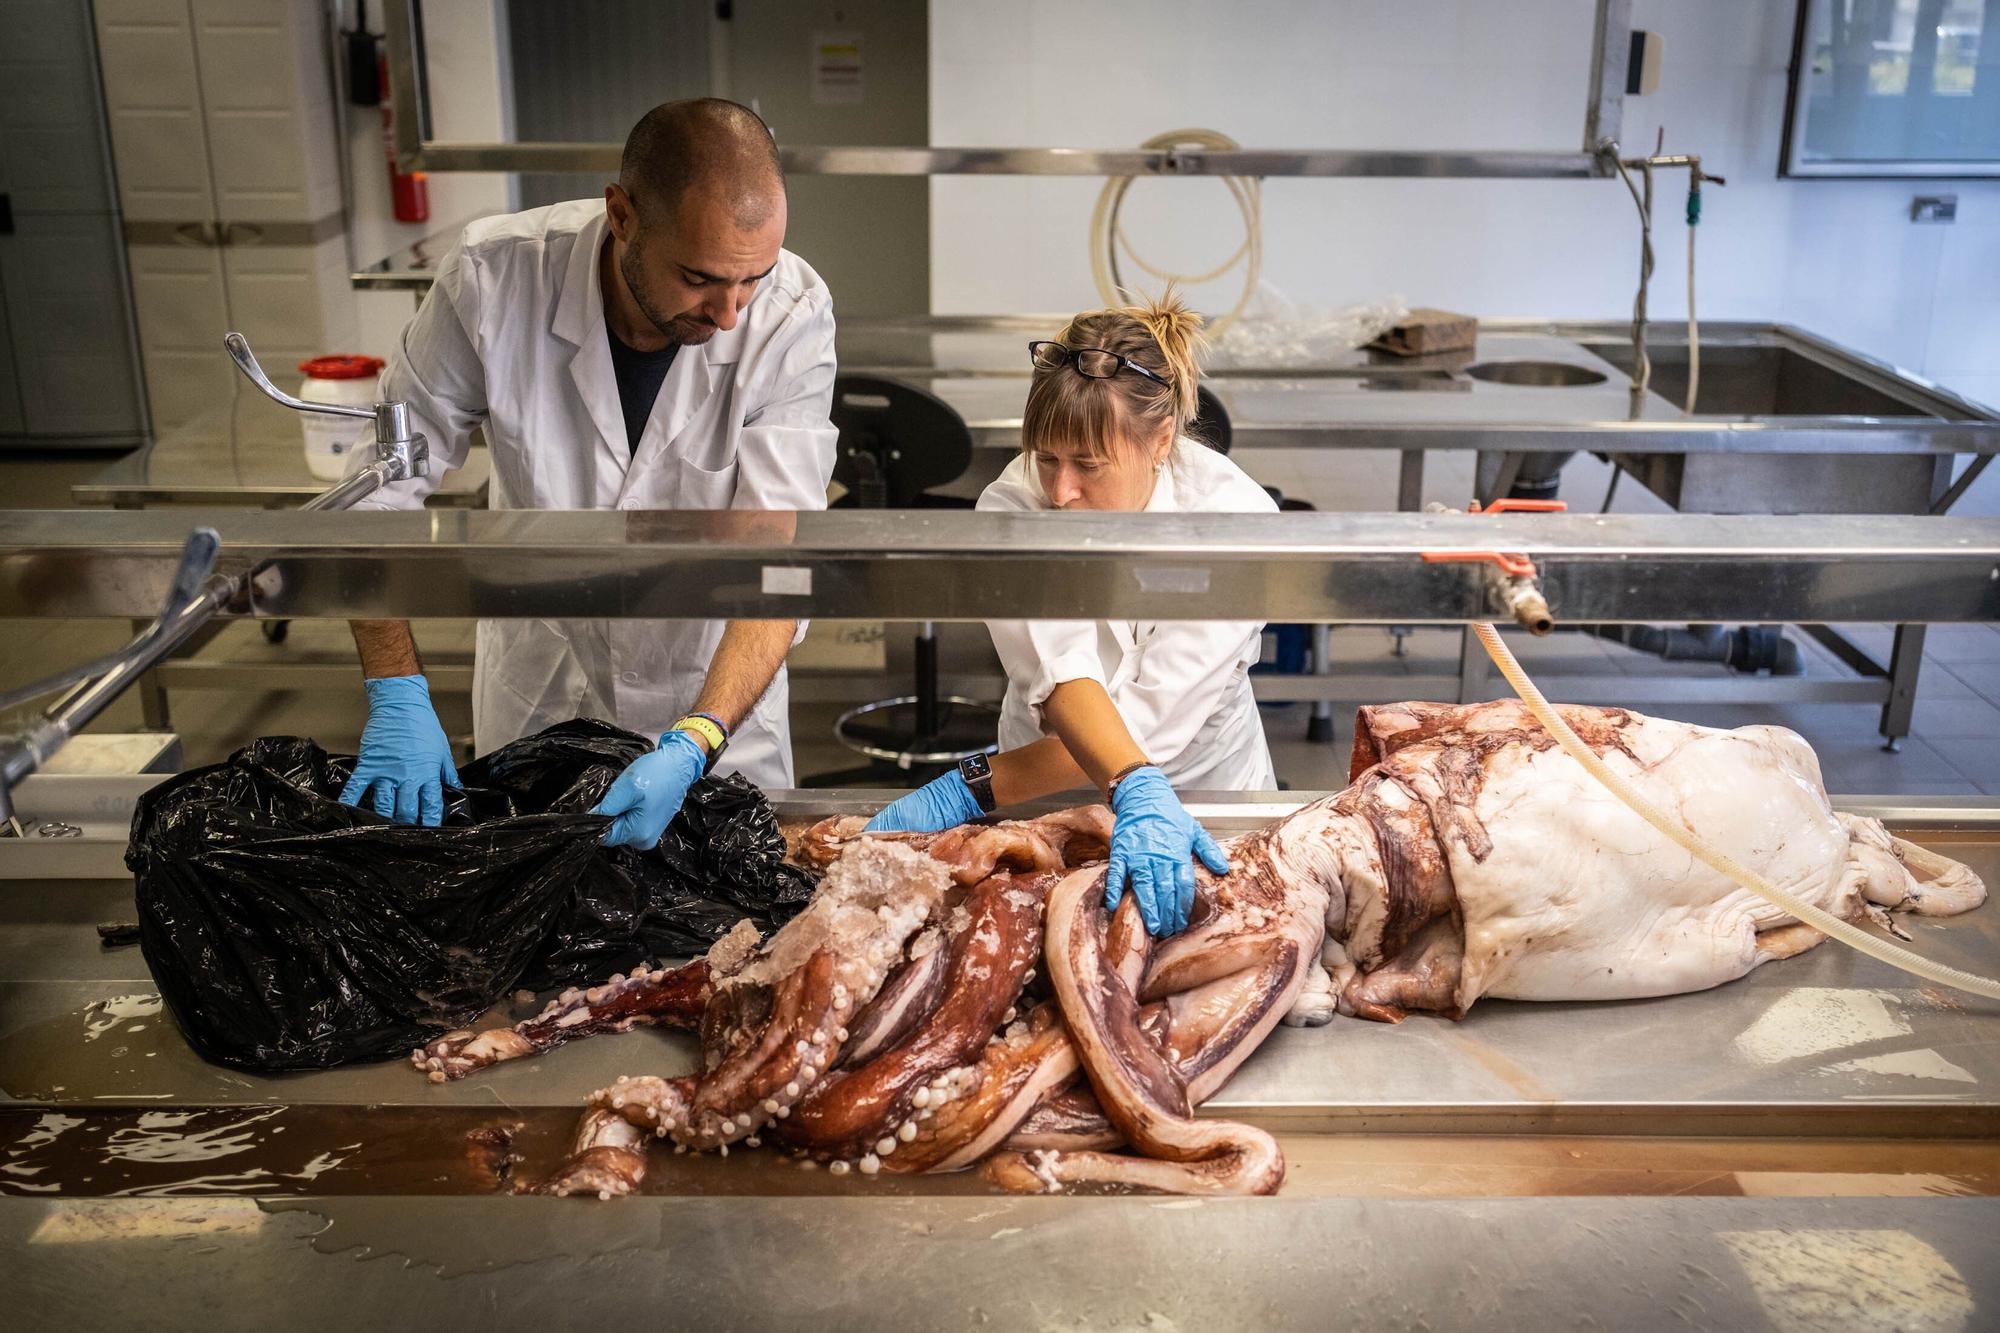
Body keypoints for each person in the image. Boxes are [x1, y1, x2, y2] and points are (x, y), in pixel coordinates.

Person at [336, 99, 837, 849]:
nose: (730, 315)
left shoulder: (791, 314)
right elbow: (376, 491)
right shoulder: (492, 280)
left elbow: (779, 556)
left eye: (750, 280)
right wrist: (397, 688)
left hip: (714, 701)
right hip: (543, 692)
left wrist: (698, 735)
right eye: (700, 278)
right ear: (622, 215)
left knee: (728, 949)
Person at [867, 296, 1278, 938]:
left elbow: (1153, 727)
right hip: (1044, 791)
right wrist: (975, 793)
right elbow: (1060, 674)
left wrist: (971, 790)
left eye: (1088, 465)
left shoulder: (1233, 521)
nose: (1060, 491)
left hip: (1196, 795)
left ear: (1161, 440)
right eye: (1048, 458)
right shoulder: (1012, 504)